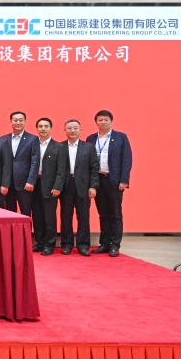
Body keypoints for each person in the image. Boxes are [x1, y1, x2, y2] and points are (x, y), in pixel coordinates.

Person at [86, 110, 132, 257]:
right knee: (103, 214)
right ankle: (104, 243)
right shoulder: (91, 138)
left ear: (111, 121)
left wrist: (124, 180)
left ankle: (115, 245)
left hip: (114, 180)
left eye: (106, 120)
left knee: (115, 214)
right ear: (96, 122)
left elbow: (126, 159)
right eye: (100, 120)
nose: (103, 122)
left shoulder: (121, 137)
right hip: (97, 180)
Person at [61, 119, 100, 256]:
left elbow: (94, 168)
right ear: (64, 130)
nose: (72, 131)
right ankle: (67, 244)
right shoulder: (60, 147)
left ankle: (83, 245)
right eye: (69, 128)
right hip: (66, 185)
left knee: (83, 217)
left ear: (80, 130)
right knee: (66, 216)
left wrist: (93, 186)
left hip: (83, 186)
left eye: (75, 128)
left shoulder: (89, 147)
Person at [31, 118, 66, 255]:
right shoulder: (32, 144)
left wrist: (57, 186)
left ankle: (49, 244)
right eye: (40, 126)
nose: (43, 129)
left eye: (46, 126)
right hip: (34, 184)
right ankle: (40, 242)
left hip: (50, 186)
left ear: (51, 128)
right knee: (37, 216)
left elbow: (61, 170)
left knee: (49, 217)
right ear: (37, 128)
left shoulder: (59, 147)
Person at [4, 111, 40, 216]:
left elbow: (35, 161)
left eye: (21, 120)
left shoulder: (32, 139)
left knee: (26, 212)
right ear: (10, 122)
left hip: (25, 183)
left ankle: (26, 229)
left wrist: (31, 181)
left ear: (25, 122)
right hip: (8, 183)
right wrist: (3, 182)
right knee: (9, 213)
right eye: (15, 120)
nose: (18, 122)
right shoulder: (4, 139)